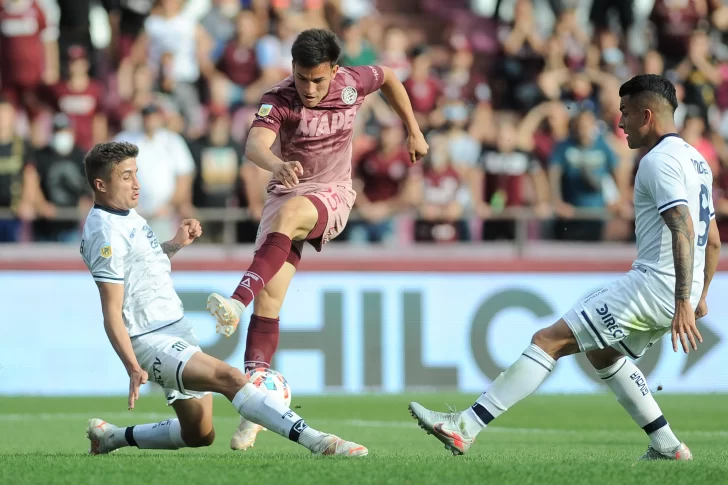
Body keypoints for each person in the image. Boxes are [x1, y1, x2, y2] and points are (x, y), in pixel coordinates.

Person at [409, 74, 720, 461]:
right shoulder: (697, 160)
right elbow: (715, 240)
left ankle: (465, 427)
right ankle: (667, 447)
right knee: (603, 353)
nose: (619, 123)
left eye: (624, 113)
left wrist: (683, 301)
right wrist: (699, 294)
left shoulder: (658, 161)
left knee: (548, 340)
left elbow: (684, 228)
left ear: (646, 115)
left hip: (657, 285)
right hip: (680, 289)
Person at [206, 28, 428, 451]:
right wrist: (275, 164)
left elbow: (390, 77)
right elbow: (254, 145)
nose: (309, 88)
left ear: (335, 71)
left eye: (318, 80)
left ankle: (235, 299)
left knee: (290, 217)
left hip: (332, 192)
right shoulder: (279, 97)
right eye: (302, 77)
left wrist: (413, 129)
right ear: (293, 68)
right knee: (270, 303)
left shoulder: (352, 83)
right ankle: (257, 408)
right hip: (284, 187)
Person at [80, 142, 367, 457]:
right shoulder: (103, 234)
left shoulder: (127, 216)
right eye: (126, 177)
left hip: (176, 329)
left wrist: (174, 244)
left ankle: (111, 438)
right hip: (150, 339)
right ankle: (319, 442)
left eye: (136, 174)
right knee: (230, 378)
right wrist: (133, 366)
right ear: (100, 184)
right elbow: (111, 311)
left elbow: (140, 265)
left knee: (199, 433)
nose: (137, 184)